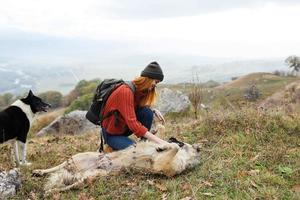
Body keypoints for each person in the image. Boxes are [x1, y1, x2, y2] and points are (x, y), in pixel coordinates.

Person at [101, 61, 168, 151]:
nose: (155, 85)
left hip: (122, 128)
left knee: (147, 113)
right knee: (135, 151)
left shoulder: (140, 90)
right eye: (155, 82)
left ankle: (143, 143)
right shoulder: (125, 91)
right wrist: (160, 141)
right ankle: (111, 145)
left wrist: (153, 110)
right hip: (112, 133)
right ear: (148, 79)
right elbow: (133, 124)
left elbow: (137, 106)